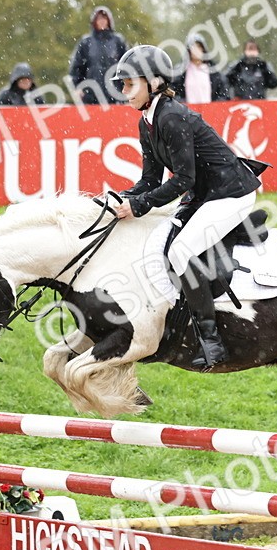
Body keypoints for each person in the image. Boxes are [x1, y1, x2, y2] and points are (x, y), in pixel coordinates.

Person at [112, 44, 262, 368]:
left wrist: (138, 207)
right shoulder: (147, 122)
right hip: (205, 194)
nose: (123, 92)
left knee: (181, 251)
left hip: (231, 193)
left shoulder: (172, 117)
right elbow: (150, 180)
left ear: (153, 82)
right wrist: (120, 199)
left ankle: (211, 341)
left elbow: (183, 179)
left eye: (129, 84)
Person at [68, 6, 128, 104]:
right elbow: (76, 67)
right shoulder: (86, 42)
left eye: (104, 18)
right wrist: (78, 87)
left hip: (116, 93)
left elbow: (126, 65)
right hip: (91, 94)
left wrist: (128, 86)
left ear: (109, 21)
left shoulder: (118, 41)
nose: (102, 21)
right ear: (94, 21)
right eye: (99, 18)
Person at [169, 34, 230, 104]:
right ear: (189, 50)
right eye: (193, 47)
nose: (196, 50)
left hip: (210, 110)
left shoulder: (214, 71)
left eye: (199, 47)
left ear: (203, 49)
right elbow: (173, 93)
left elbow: (223, 93)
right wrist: (182, 105)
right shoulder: (180, 72)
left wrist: (215, 106)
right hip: (188, 110)